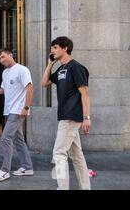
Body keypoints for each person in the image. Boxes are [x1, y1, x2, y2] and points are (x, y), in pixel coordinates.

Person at [41, 37, 91, 190]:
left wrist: (87, 118)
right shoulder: (62, 68)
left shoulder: (76, 67)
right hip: (65, 115)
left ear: (65, 48)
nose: (52, 50)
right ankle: (85, 187)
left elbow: (85, 93)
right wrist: (50, 63)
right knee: (77, 156)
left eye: (55, 47)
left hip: (71, 116)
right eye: (52, 48)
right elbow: (44, 83)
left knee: (59, 154)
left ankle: (62, 188)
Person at [0, 48, 34, 182]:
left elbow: (30, 88)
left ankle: (5, 170)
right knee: (18, 139)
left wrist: (26, 107)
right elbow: (4, 89)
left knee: (5, 138)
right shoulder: (5, 73)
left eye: (3, 56)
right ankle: (27, 167)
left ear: (10, 55)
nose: (2, 60)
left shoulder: (22, 70)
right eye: (0, 59)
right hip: (9, 110)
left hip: (18, 110)